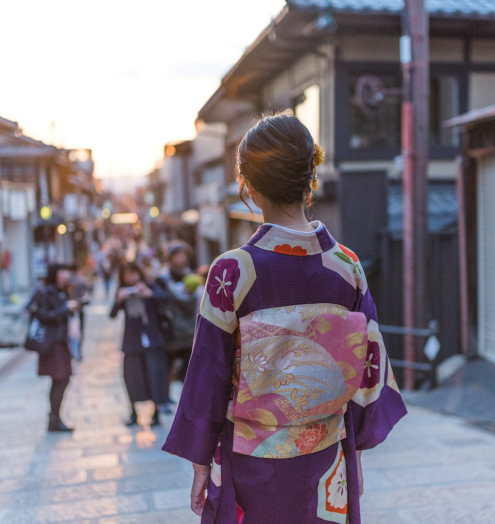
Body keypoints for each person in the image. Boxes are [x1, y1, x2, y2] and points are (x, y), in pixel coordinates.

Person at [162, 114, 407, 524]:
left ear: (249, 187)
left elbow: (208, 373)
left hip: (251, 463)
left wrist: (201, 462)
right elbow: (369, 369)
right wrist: (356, 453)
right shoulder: (347, 267)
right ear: (309, 179)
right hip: (327, 458)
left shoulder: (233, 271)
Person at [110, 262, 173, 426]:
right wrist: (119, 300)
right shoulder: (121, 291)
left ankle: (156, 413)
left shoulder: (150, 286)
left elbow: (165, 298)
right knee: (132, 377)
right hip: (132, 341)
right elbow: (112, 314)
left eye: (133, 273)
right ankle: (133, 412)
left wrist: (149, 294)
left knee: (154, 376)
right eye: (127, 274)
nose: (131, 278)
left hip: (152, 339)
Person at [35, 263, 79, 433]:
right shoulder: (47, 292)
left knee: (63, 379)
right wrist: (65, 308)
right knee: (60, 379)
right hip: (53, 343)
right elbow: (43, 315)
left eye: (66, 270)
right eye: (62, 271)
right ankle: (54, 419)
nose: (65, 274)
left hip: (63, 341)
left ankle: (55, 418)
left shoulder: (64, 291)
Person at [69, 264, 91, 362]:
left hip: (73, 309)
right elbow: (89, 291)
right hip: (76, 309)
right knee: (79, 332)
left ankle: (74, 352)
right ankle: (77, 352)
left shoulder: (71, 280)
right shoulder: (81, 280)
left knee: (73, 333)